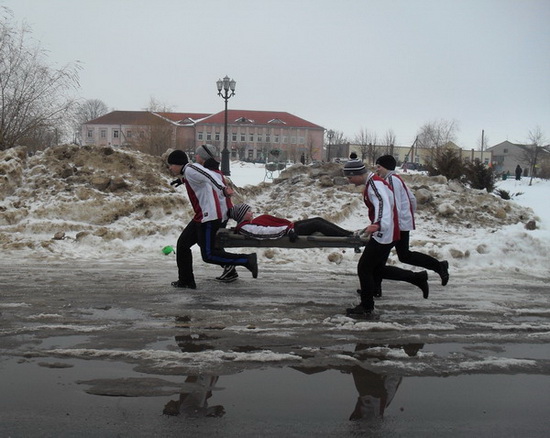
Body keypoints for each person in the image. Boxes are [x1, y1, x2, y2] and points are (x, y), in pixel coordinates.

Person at [343, 159, 429, 319]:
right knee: (376, 269)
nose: (349, 181)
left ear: (356, 174)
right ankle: (417, 278)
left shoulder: (374, 184)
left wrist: (378, 224)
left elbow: (383, 204)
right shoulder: (373, 182)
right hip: (387, 229)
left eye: (350, 177)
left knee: (364, 268)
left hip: (385, 232)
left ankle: (366, 307)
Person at [167, 146, 258, 289]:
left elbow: (209, 176)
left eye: (171, 165)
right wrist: (183, 181)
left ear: (178, 164)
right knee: (183, 244)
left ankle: (246, 260)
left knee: (208, 255)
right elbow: (201, 178)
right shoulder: (189, 172)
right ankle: (186, 281)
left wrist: (223, 189)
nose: (170, 168)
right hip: (201, 216)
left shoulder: (191, 169)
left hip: (209, 216)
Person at [375, 155, 449, 293]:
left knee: (382, 257)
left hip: (396, 225)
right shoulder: (394, 179)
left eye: (378, 167)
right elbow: (411, 199)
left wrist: (392, 222)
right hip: (400, 223)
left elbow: (394, 204)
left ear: (385, 167)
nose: (376, 170)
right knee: (400, 256)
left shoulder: (391, 180)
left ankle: (437, 268)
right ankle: (439, 266)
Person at [226, 203, 357, 241]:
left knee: (318, 220)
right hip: (290, 231)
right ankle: (348, 236)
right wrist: (288, 230)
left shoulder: (248, 224)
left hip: (291, 227)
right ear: (242, 215)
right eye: (249, 211)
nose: (252, 213)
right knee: (318, 224)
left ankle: (348, 233)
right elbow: (264, 232)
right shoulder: (247, 227)